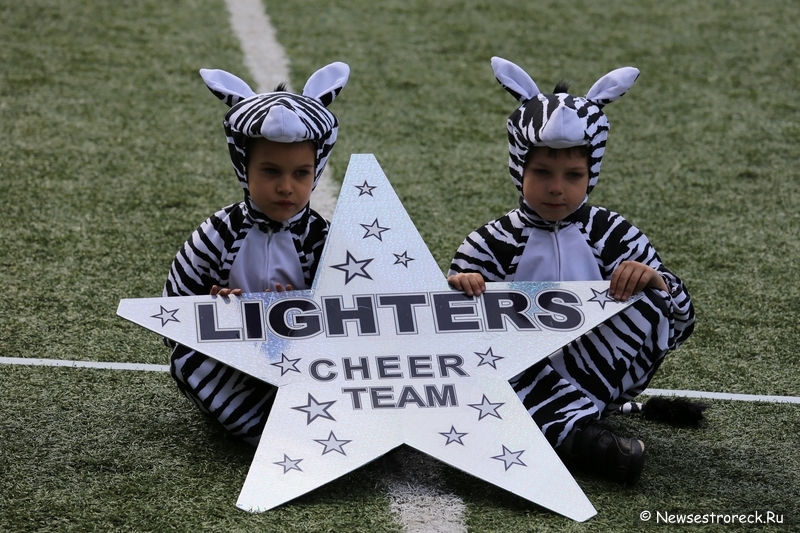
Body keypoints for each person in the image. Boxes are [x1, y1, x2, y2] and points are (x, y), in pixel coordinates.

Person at [448, 57, 695, 484]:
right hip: (514, 371)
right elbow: (445, 321)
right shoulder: (490, 240)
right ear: (519, 168)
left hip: (598, 374)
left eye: (573, 175)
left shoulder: (615, 233)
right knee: (475, 344)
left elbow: (681, 321)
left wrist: (656, 281)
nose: (557, 188)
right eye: (542, 172)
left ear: (591, 173)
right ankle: (580, 436)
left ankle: (567, 424)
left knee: (654, 294)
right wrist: (460, 286)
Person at [163, 62, 350, 445]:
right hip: (239, 364)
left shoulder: (322, 238)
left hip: (307, 364)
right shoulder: (218, 232)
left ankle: (311, 421)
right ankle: (261, 428)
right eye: (270, 171)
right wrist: (216, 313)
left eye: (301, 173)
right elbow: (175, 308)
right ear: (243, 166)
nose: (286, 187)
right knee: (186, 364)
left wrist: (302, 312)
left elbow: (353, 315)